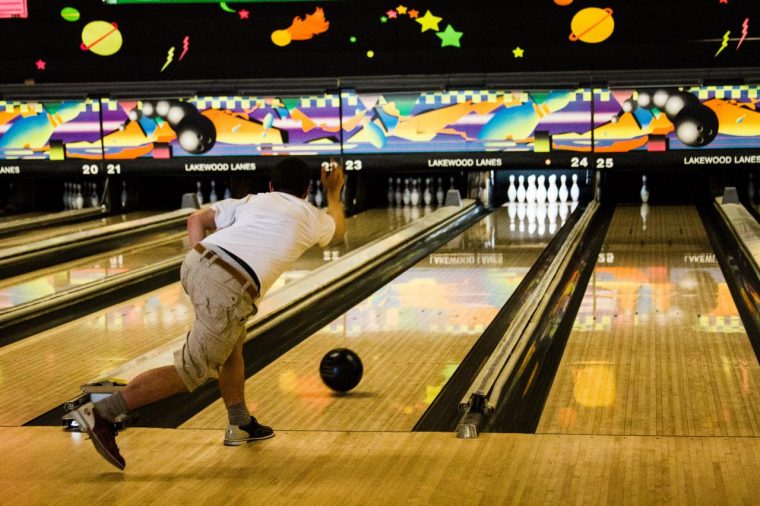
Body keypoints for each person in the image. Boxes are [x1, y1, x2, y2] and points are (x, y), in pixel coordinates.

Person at [72, 157, 346, 470]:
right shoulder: (309, 214)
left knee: (233, 345)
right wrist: (335, 193)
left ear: (270, 186)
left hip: (198, 260)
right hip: (230, 284)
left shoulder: (251, 201)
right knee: (192, 371)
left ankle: (239, 422)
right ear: (308, 190)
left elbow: (196, 219)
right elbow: (338, 233)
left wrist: (204, 263)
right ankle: (103, 413)